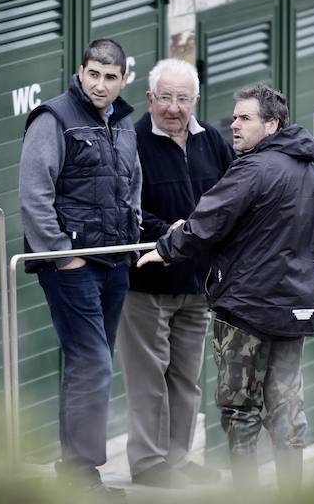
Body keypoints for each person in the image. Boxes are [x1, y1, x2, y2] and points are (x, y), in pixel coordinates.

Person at [136, 83, 314, 493]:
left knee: (241, 412)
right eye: (234, 117)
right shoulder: (307, 168)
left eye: (245, 119)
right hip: (295, 308)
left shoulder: (253, 169)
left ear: (271, 124)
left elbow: (207, 220)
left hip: (247, 310)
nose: (234, 126)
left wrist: (165, 249)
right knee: (287, 408)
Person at [19, 38, 141, 498]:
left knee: (92, 363)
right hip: (72, 265)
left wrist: (130, 246)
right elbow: (34, 192)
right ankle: (80, 475)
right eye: (94, 74)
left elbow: (133, 186)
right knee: (92, 363)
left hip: (116, 261)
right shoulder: (54, 119)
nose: (101, 85)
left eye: (111, 77)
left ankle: (77, 471)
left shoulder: (125, 123)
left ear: (123, 80)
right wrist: (61, 255)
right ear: (80, 72)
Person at [117, 59, 233, 489]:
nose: (173, 107)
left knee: (185, 378)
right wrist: (168, 234)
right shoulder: (132, 142)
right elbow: (127, 209)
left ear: (195, 101)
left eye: (182, 99)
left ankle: (179, 459)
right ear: (149, 99)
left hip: (197, 285)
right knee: (148, 378)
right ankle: (148, 463)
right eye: (164, 97)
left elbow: (229, 198)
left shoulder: (213, 143)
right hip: (146, 284)